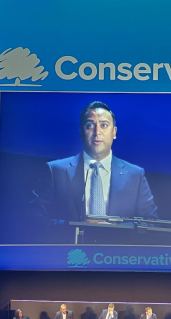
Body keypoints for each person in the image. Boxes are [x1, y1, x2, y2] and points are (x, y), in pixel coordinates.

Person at [27, 101, 159, 237]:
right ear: (81, 132)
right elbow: (34, 218)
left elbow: (151, 222)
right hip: (70, 254)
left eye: (104, 125)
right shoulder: (55, 171)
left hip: (118, 256)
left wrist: (115, 228)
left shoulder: (135, 175)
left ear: (114, 132)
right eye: (90, 125)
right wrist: (77, 228)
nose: (97, 132)